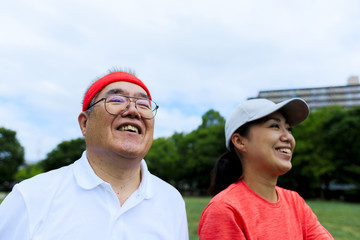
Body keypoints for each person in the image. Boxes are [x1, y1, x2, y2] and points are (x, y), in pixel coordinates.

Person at [0, 70, 189, 240]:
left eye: (143, 104)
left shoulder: (171, 201)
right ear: (84, 123)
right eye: (117, 100)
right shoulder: (30, 197)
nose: (133, 111)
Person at [198, 98, 333, 240]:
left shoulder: (295, 202)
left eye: (289, 129)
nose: (288, 137)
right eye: (275, 126)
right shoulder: (225, 210)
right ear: (240, 141)